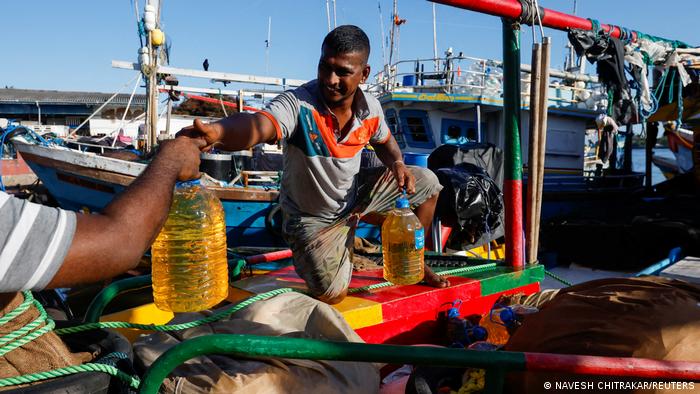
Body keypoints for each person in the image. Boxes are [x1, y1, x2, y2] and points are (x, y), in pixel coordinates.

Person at [179, 25, 450, 304]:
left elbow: (384, 141)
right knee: (333, 295)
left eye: (343, 72)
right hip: (308, 219)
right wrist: (218, 132)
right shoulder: (298, 105)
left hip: (353, 198)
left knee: (429, 183)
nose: (330, 80)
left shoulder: (371, 109)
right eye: (324, 67)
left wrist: (397, 164)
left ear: (364, 74)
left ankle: (415, 260)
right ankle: (347, 233)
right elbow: (258, 125)